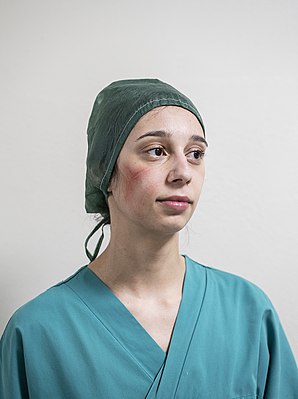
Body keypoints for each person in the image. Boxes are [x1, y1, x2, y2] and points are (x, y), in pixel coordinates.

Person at [0, 79, 297, 398]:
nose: (183, 172)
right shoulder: (36, 332)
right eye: (157, 151)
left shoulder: (248, 313)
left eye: (195, 153)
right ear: (106, 172)